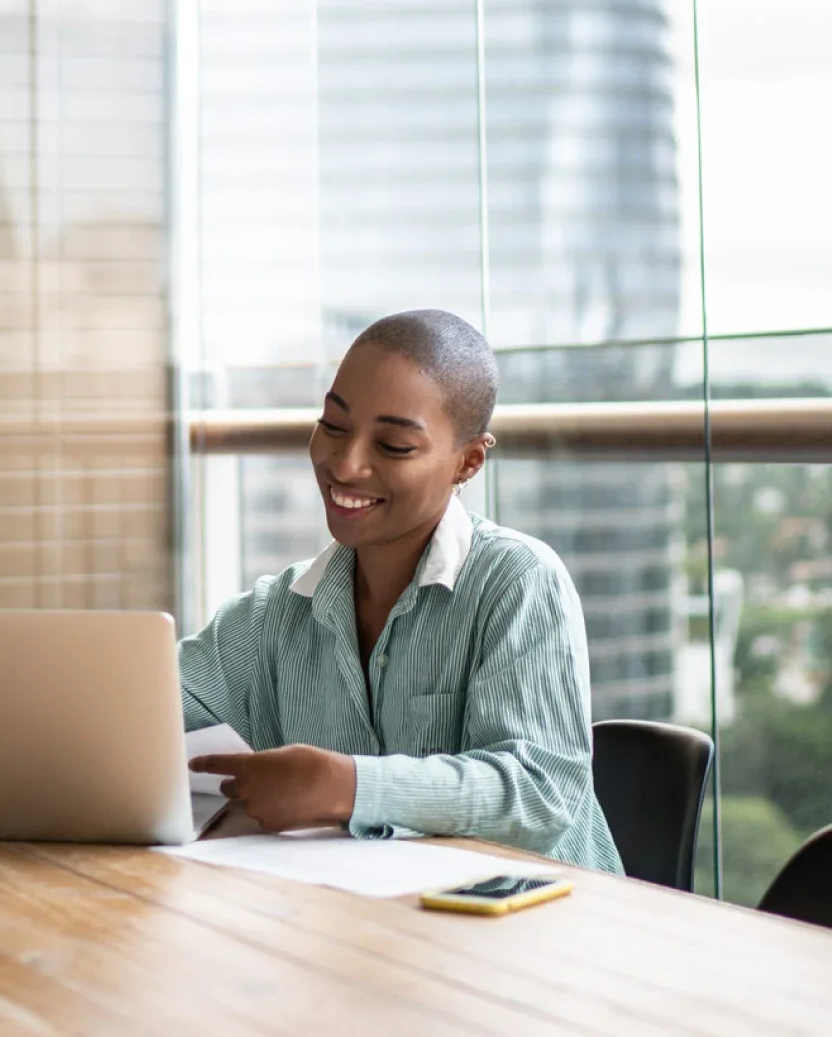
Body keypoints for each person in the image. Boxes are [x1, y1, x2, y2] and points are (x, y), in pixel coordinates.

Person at [183, 308, 622, 871]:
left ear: (467, 462)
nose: (346, 463)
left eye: (392, 446)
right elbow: (142, 706)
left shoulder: (518, 581)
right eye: (334, 427)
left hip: (535, 926)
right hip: (377, 924)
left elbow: (540, 794)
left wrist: (348, 785)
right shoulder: (279, 613)